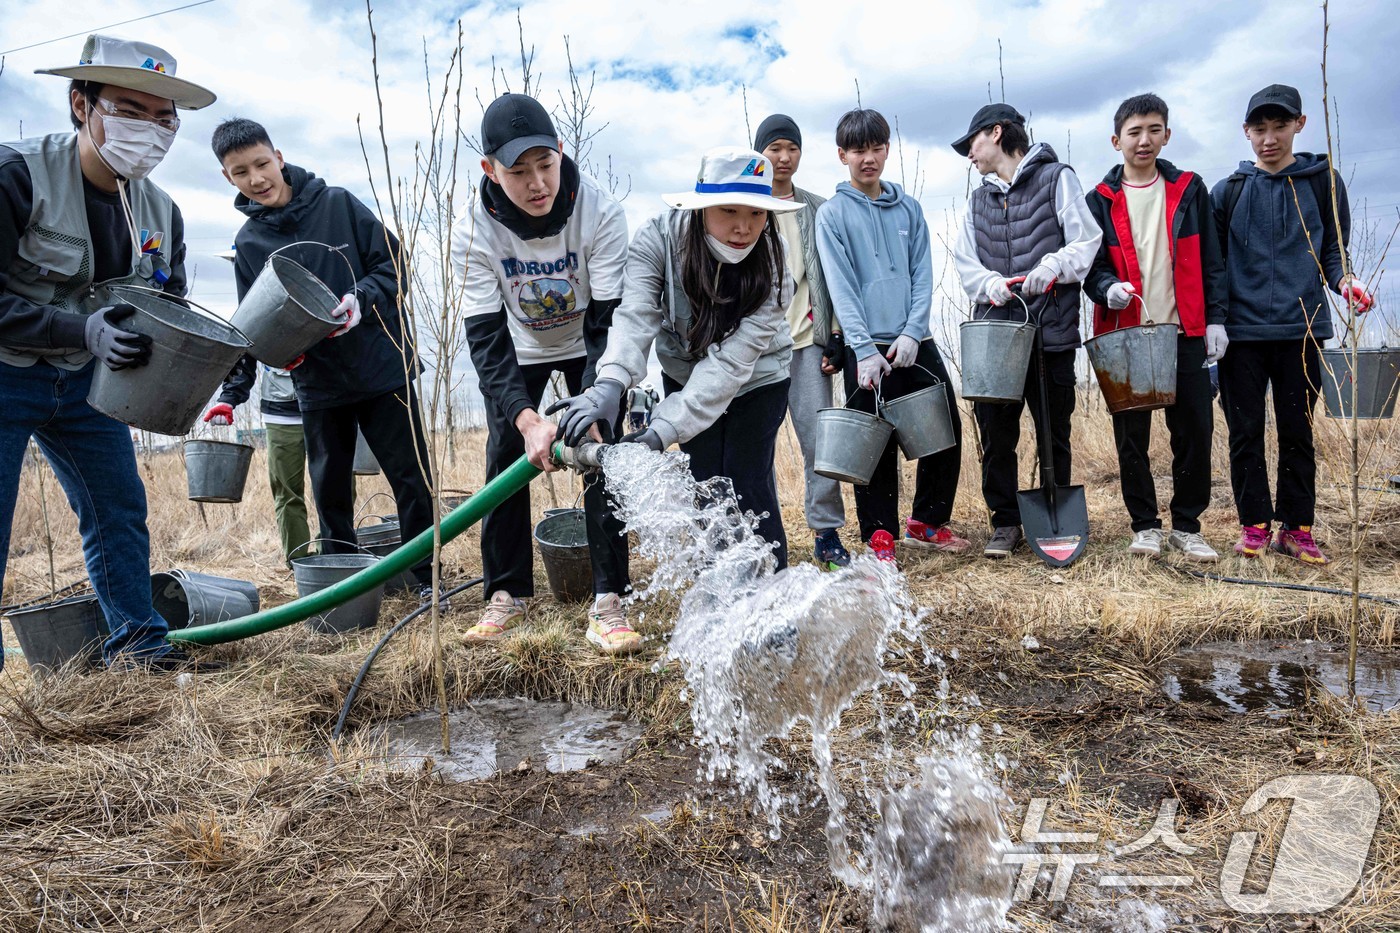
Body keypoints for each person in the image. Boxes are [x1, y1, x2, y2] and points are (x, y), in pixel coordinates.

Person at [0, 35, 217, 671]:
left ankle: (139, 646)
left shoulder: (161, 214)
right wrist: (80, 332)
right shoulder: (17, 177)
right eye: (129, 109)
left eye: (163, 118)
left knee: (118, 508)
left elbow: (167, 306)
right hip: (8, 374)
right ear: (80, 104)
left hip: (89, 387)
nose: (148, 130)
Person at [208, 118, 437, 588]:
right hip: (317, 385)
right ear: (228, 178)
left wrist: (361, 298)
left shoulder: (338, 204)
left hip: (382, 369)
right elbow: (251, 323)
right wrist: (236, 389)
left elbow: (394, 268)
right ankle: (345, 588)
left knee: (411, 481)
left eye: (260, 164)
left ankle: (427, 580)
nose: (255, 179)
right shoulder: (249, 243)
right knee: (330, 493)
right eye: (239, 172)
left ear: (279, 158)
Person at [448, 93, 636, 653]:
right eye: (518, 172)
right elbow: (486, 338)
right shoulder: (472, 230)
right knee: (505, 452)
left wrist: (601, 398)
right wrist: (527, 418)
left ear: (560, 152)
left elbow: (608, 321)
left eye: (545, 165)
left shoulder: (600, 212)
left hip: (587, 343)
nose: (537, 184)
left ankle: (610, 599)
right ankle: (507, 593)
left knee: (603, 450)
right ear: (489, 171)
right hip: (521, 348)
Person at [551, 147, 799, 569]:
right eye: (729, 211)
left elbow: (727, 368)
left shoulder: (774, 266)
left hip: (759, 379)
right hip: (683, 373)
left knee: (747, 483)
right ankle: (717, 591)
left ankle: (770, 602)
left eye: (757, 214)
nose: (744, 227)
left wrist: (660, 431)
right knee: (703, 482)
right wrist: (610, 384)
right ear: (701, 208)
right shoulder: (659, 238)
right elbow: (635, 317)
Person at [1210, 84, 1372, 564]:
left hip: (1302, 329)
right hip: (1241, 335)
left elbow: (1333, 253)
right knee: (1245, 432)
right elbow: (1215, 267)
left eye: (1279, 126)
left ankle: (1297, 528)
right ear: (1246, 132)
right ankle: (1254, 524)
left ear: (1299, 124)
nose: (1269, 138)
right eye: (1259, 129)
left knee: (1297, 432)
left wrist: (1346, 282)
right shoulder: (1228, 191)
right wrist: (1215, 322)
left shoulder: (1324, 182)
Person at [951, 103, 1103, 559]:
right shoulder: (978, 199)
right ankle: (1005, 522)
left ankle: (1055, 512)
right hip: (997, 338)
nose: (970, 154)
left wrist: (1055, 264)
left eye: (973, 142)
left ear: (996, 133)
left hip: (1051, 333)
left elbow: (1086, 240)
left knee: (1053, 431)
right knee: (997, 434)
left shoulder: (1058, 178)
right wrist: (990, 284)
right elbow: (965, 262)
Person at [817, 108, 967, 566]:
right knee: (873, 441)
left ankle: (927, 522)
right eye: (858, 150)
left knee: (946, 429)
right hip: (865, 349)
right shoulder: (832, 213)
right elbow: (841, 286)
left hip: (913, 342)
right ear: (843, 154)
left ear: (887, 149)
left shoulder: (909, 209)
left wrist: (913, 333)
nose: (869, 158)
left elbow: (923, 273)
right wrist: (863, 350)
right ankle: (879, 536)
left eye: (876, 148)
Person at [1084, 93, 1226, 562]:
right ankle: (1144, 525)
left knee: (1194, 430)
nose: (1144, 140)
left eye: (1154, 130)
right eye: (1134, 132)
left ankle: (1188, 526)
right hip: (1125, 333)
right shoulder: (1099, 200)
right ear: (1116, 140)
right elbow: (1091, 267)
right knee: (1131, 437)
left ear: (1167, 135)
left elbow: (1212, 261)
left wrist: (1216, 319)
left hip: (1183, 330)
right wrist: (1108, 289)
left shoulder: (1189, 188)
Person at [754, 113, 851, 571]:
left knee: (820, 442)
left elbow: (828, 274)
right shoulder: (746, 204)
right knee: (757, 448)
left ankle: (827, 535)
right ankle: (763, 540)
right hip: (756, 351)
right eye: (774, 148)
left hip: (808, 343)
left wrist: (835, 334)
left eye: (791, 148)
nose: (784, 157)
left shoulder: (817, 207)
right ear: (760, 153)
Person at [205, 359, 312, 566]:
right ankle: (300, 566)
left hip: (329, 401)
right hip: (281, 410)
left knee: (338, 486)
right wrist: (228, 398)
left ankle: (337, 561)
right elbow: (248, 347)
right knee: (287, 492)